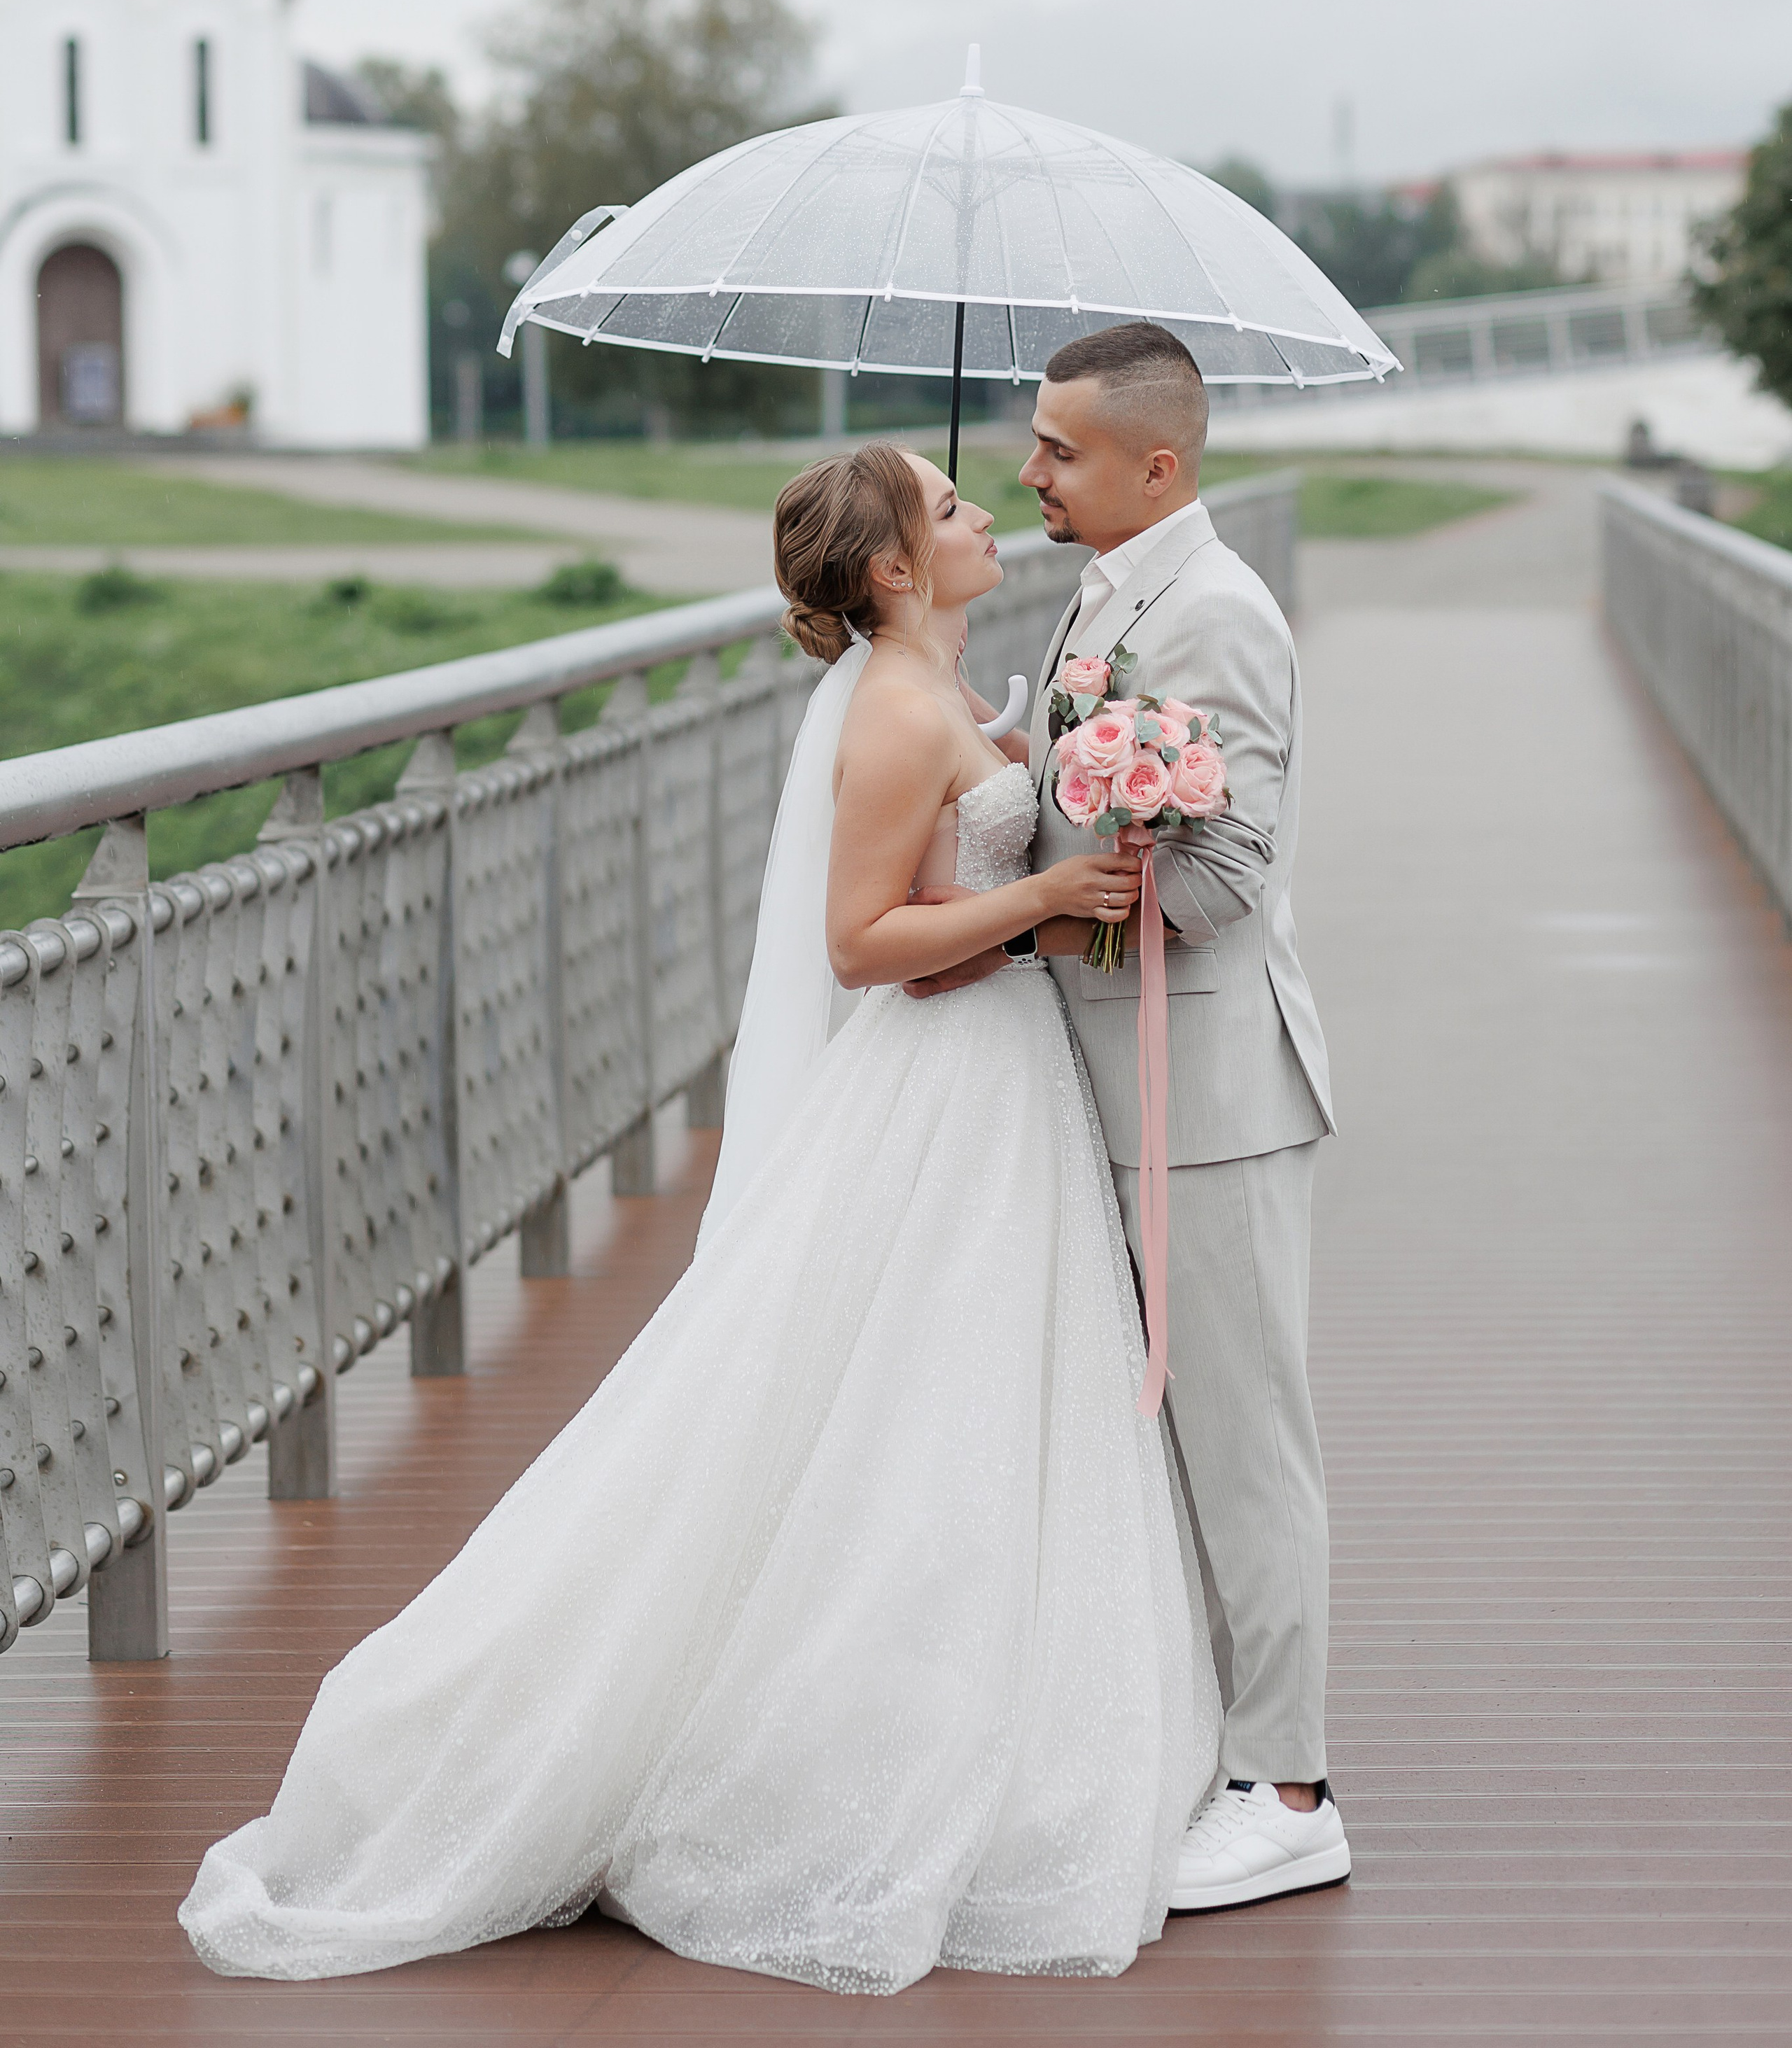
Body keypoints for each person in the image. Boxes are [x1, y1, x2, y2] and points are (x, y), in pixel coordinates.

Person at [179, 440, 1218, 1993]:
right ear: (886, 572)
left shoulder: (940, 697)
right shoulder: (885, 709)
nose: (985, 509)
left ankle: (961, 1713)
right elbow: (867, 945)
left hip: (995, 1085)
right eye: (949, 508)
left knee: (960, 1415)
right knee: (894, 1408)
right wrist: (1042, 901)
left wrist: (1044, 791)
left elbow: (937, 894)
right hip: (938, 1091)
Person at [909, 321, 1349, 1913]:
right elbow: (1095, 797)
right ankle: (1206, 1740)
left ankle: (1289, 1786)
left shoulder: (1214, 613)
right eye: (1029, 443)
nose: (1025, 470)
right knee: (1157, 1445)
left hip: (1211, 1093)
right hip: (1106, 1075)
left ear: (1155, 465)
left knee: (1243, 1444)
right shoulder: (1105, 589)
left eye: (1058, 451)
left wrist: (1021, 920)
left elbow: (1225, 882)